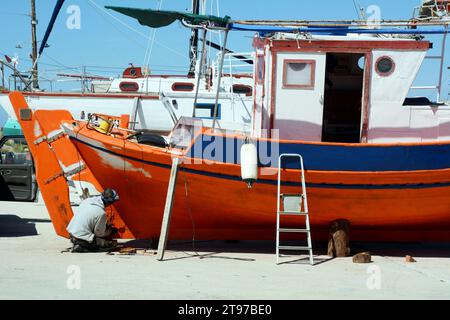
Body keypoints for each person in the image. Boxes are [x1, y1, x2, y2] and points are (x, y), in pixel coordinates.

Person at [67, 188, 119, 253]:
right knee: (111, 245)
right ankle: (82, 247)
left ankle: (79, 244)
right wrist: (110, 231)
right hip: (82, 239)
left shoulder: (87, 201)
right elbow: (99, 234)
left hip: (72, 235)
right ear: (110, 202)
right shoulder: (101, 213)